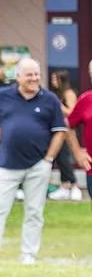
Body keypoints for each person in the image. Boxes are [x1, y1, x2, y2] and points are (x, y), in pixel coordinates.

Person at [0, 58, 67, 265]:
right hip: (7, 164)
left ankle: (28, 254)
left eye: (37, 74)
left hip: (37, 165)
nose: (34, 79)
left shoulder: (49, 99)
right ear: (19, 77)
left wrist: (48, 159)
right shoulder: (4, 95)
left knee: (34, 211)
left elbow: (60, 131)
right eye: (29, 75)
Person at [47, 70, 81, 201]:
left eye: (56, 79)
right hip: (56, 131)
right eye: (52, 79)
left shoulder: (69, 93)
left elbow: (72, 112)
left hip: (67, 132)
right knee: (60, 159)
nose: (53, 82)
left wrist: (59, 105)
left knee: (65, 159)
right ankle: (64, 186)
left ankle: (75, 185)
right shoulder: (56, 94)